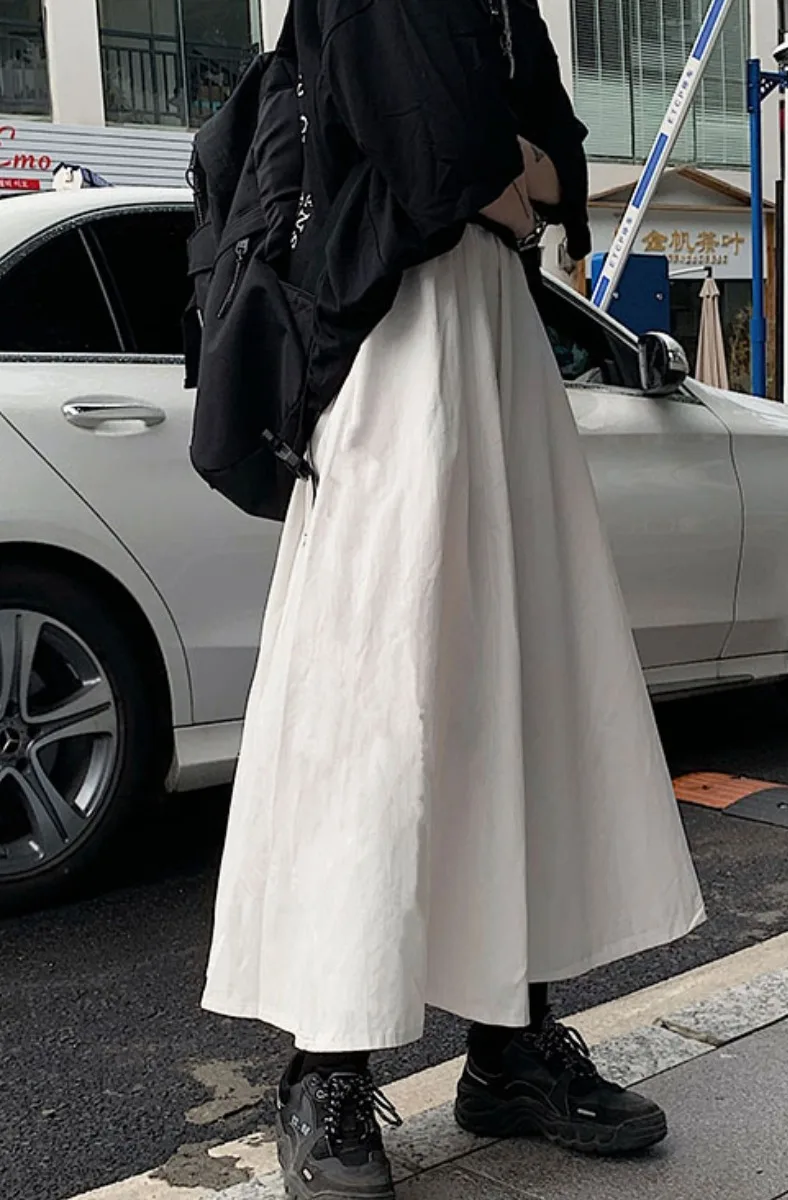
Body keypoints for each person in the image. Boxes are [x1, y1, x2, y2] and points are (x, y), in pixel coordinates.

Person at [202, 2, 705, 1196]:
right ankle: (323, 1067)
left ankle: (509, 1043)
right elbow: (442, 162)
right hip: (389, 345)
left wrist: (511, 174)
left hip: (492, 344)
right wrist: (507, 173)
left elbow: (554, 166)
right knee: (371, 707)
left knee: (516, 685)